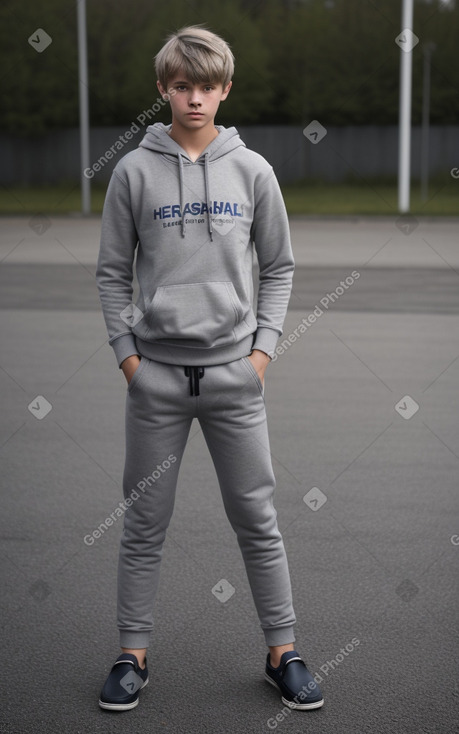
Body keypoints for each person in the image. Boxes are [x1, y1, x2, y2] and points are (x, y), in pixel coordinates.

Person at [95, 25, 323, 713]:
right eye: (181, 86)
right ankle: (131, 655)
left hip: (233, 380)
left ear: (225, 90)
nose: (194, 98)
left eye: (207, 86)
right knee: (142, 523)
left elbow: (279, 267)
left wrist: (260, 353)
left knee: (258, 520)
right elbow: (111, 274)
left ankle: (282, 651)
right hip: (157, 381)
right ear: (164, 88)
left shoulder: (251, 170)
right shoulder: (134, 170)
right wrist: (130, 360)